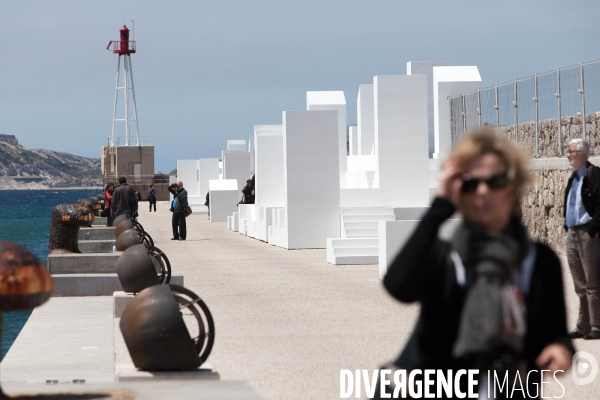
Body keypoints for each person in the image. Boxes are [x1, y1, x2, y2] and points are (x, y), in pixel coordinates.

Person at [377, 130, 573, 398]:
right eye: (469, 183)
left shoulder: (539, 261)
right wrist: (440, 206)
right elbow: (398, 286)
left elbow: (557, 334)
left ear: (513, 188)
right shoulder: (446, 257)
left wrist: (560, 350)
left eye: (495, 181)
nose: (482, 191)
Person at [563, 138, 600, 340]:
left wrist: (594, 228)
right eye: (567, 151)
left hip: (587, 233)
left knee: (592, 283)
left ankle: (597, 326)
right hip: (572, 232)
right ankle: (583, 326)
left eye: (571, 151)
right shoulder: (574, 176)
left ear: (584, 154)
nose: (568, 154)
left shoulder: (594, 175)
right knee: (579, 284)